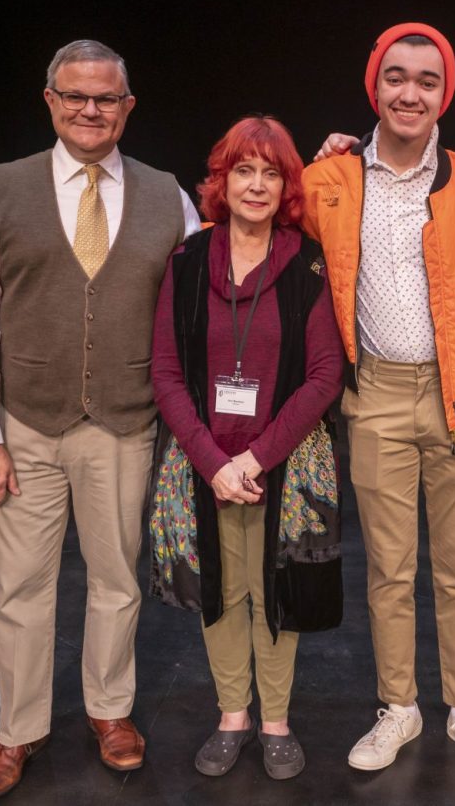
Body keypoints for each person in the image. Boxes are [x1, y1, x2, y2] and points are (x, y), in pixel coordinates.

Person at [0, 39, 200, 800]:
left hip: (122, 424)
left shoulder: (167, 196)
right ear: (51, 101)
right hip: (24, 424)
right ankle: (17, 730)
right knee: (20, 587)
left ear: (128, 108)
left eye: (107, 98)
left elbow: (195, 310)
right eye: (76, 96)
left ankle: (110, 709)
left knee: (117, 579)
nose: (91, 110)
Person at [302, 22, 455, 775]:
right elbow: (264, 244)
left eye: (428, 80)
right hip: (377, 400)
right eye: (397, 76)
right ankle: (398, 707)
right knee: (389, 570)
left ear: (444, 93)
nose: (410, 92)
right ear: (375, 86)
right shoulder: (326, 181)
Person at [151, 115, 344, 779]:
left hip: (280, 465)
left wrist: (254, 459)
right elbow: (166, 374)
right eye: (243, 170)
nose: (256, 185)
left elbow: (325, 374)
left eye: (271, 173)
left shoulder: (307, 261)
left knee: (274, 593)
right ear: (222, 181)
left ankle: (275, 721)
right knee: (221, 593)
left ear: (287, 185)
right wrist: (212, 463)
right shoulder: (186, 259)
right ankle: (232, 714)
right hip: (205, 466)